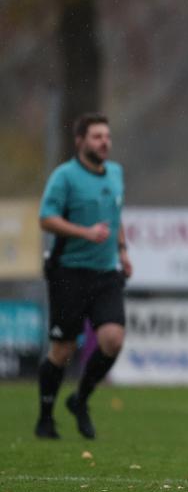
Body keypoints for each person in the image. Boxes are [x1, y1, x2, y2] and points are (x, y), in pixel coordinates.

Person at [34, 113, 131, 440]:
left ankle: (81, 400)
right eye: (96, 136)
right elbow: (46, 219)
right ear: (80, 142)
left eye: (107, 136)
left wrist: (123, 252)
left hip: (106, 273)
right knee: (62, 350)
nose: (104, 141)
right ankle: (45, 417)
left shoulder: (115, 173)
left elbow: (115, 217)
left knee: (113, 340)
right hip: (69, 273)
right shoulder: (65, 177)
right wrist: (84, 233)